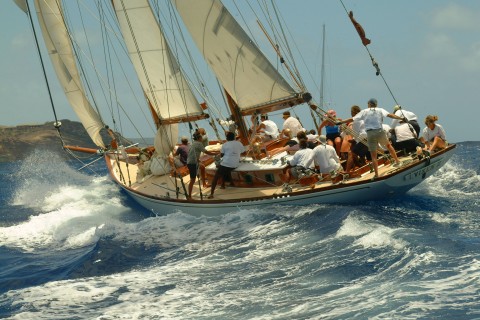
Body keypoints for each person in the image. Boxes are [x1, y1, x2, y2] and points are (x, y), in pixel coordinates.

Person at [337, 98, 405, 179]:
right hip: (379, 131)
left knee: (373, 155)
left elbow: (352, 118)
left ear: (369, 104)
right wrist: (401, 118)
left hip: (370, 134)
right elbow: (390, 115)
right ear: (376, 104)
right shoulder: (380, 109)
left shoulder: (364, 111)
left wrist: (341, 122)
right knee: (388, 146)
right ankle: (397, 161)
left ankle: (376, 175)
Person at [208, 131, 245, 199]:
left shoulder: (225, 145)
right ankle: (226, 184)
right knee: (225, 168)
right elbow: (243, 152)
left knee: (216, 176)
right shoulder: (239, 143)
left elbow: (222, 155)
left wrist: (218, 156)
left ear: (226, 138)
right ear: (234, 137)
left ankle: (211, 193)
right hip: (236, 164)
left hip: (227, 164)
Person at [186, 132, 217, 199]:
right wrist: (216, 153)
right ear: (199, 138)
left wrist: (198, 160)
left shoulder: (194, 143)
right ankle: (189, 196)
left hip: (191, 161)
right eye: (201, 137)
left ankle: (204, 184)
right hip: (192, 163)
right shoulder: (199, 144)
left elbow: (192, 153)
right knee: (193, 180)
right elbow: (206, 152)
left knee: (202, 167)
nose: (202, 138)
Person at [345, 105, 368, 172]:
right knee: (359, 152)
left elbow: (363, 133)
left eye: (351, 112)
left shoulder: (357, 121)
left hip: (365, 140)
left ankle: (347, 171)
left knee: (351, 153)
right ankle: (363, 165)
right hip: (365, 139)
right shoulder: (360, 120)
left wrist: (356, 140)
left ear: (353, 113)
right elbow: (358, 133)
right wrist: (354, 140)